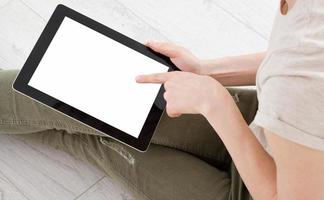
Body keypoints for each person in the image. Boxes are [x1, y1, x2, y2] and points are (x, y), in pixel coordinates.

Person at [0, 0, 323, 199]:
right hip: (274, 124)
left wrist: (217, 105)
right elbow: (297, 57)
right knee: (81, 98)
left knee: (100, 139)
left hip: (268, 191)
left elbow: (301, 65)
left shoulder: (298, 76)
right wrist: (208, 71)